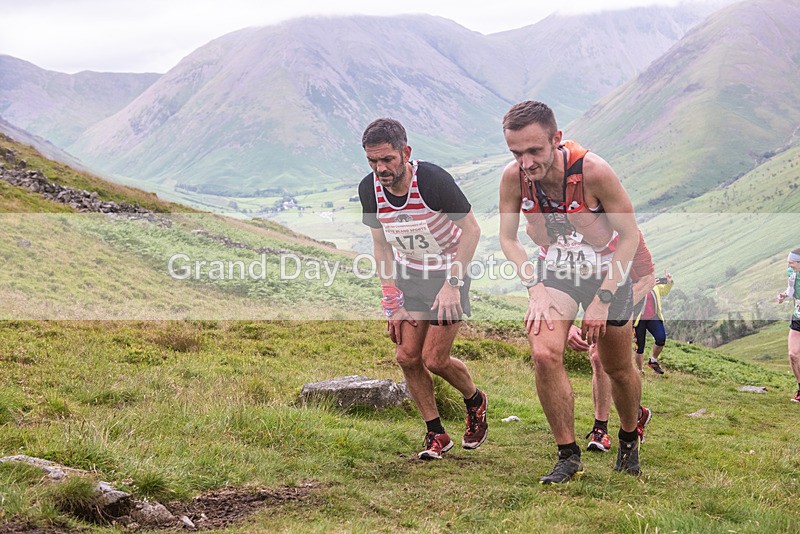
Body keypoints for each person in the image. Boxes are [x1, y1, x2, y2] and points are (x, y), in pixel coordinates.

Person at [498, 100, 647, 483]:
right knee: (545, 353)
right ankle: (568, 454)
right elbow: (508, 238)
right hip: (556, 271)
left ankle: (629, 435)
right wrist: (535, 290)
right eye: (517, 152)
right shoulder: (513, 177)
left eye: (535, 150)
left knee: (616, 367)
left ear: (556, 139)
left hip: (607, 272)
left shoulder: (594, 171)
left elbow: (629, 235)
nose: (526, 162)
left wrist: (604, 298)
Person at [358, 118, 488, 460]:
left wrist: (452, 285)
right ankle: (436, 433)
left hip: (450, 274)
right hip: (410, 276)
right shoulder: (369, 189)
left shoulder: (432, 180)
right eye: (372, 161)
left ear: (406, 152)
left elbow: (472, 231)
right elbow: (382, 245)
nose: (380, 169)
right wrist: (391, 301)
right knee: (406, 356)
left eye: (387, 159)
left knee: (435, 358)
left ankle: (475, 400)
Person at [567, 230, 656, 453]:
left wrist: (616, 309)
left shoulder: (629, 233)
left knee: (613, 363)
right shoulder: (574, 236)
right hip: (595, 298)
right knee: (597, 360)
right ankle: (602, 428)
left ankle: (632, 417)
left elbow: (648, 279)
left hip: (627, 299)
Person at [633, 271, 674, 374]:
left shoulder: (654, 285)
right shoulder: (635, 284)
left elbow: (664, 292)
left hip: (653, 317)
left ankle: (653, 361)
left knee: (661, 338)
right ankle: (640, 370)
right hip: (639, 319)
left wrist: (669, 282)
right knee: (640, 347)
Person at [777, 248, 800, 402]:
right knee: (793, 355)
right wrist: (783, 295)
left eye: (791, 263)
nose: (788, 266)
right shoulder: (791, 273)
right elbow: (791, 290)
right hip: (798, 316)